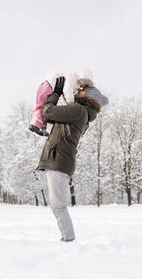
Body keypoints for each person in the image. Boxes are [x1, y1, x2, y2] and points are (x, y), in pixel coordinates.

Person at [37, 76, 109, 242]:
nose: (78, 89)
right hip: (59, 160)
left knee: (58, 206)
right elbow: (50, 116)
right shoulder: (81, 113)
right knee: (58, 205)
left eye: (82, 89)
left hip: (58, 160)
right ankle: (68, 239)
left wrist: (54, 94)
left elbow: (47, 111)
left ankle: (68, 240)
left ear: (88, 97)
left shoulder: (79, 111)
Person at [29, 69, 94, 136]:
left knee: (44, 107)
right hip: (49, 85)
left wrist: (71, 105)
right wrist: (71, 104)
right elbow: (67, 91)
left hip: (51, 87)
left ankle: (42, 128)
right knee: (41, 106)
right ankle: (34, 125)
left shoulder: (76, 84)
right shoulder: (72, 77)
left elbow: (66, 94)